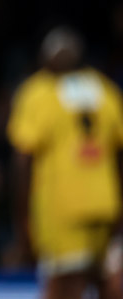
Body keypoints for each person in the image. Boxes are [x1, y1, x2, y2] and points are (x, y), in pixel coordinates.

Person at [7, 26, 123, 299]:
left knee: (62, 288)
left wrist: (21, 220)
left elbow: (22, 161)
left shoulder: (37, 92)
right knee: (107, 282)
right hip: (106, 206)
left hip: (61, 209)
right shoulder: (105, 90)